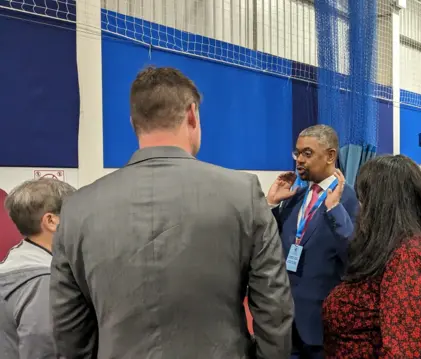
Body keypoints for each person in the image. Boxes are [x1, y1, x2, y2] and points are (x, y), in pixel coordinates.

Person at [49, 67, 294, 358]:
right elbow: (273, 309)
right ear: (192, 115)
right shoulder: (244, 194)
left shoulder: (78, 208)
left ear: (134, 122)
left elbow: (68, 328)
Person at [322, 155, 421, 359]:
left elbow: (407, 352)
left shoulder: (410, 259)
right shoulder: (399, 247)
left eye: (364, 201)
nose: (361, 209)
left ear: (381, 205)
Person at [267, 124, 359, 359]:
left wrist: (335, 210)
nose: (299, 160)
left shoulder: (349, 201)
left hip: (324, 326)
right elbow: (267, 245)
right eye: (297, 153)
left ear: (330, 156)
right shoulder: (292, 197)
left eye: (307, 153)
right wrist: (269, 205)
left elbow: (355, 258)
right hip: (286, 320)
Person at [0, 179, 75, 359]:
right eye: (76, 214)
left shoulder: (13, 266)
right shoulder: (42, 282)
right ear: (50, 221)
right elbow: (44, 351)